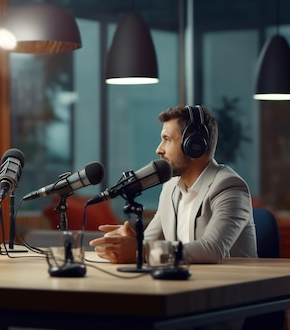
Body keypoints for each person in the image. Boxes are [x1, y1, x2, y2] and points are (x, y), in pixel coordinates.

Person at [89, 104, 257, 264]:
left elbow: (213, 249)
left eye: (167, 139)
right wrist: (130, 241)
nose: (159, 149)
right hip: (187, 284)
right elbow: (149, 242)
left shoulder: (229, 187)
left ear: (194, 145)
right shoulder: (170, 186)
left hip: (229, 289)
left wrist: (142, 250)